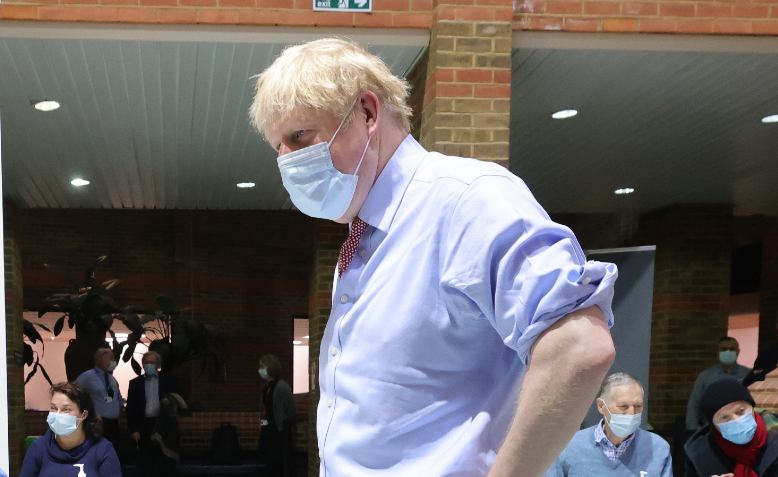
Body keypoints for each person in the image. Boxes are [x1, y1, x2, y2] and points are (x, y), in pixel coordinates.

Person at [249, 38, 618, 476]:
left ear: (367, 112)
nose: (288, 162)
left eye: (299, 136)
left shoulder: (464, 201)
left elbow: (578, 344)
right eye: (279, 148)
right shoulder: (365, 240)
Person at [546, 372, 672, 476]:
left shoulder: (658, 448)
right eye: (623, 406)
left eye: (638, 406)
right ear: (601, 406)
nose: (631, 413)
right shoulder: (569, 446)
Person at [20, 382, 121, 476]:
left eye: (66, 410)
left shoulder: (103, 450)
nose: (57, 415)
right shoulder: (38, 448)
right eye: (53, 408)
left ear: (84, 415)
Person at [685, 378, 778, 476]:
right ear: (714, 426)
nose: (736, 420)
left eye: (741, 411)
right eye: (724, 417)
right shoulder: (700, 455)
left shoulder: (774, 437)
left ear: (752, 408)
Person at [126, 351, 176, 476]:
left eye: (152, 363)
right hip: (144, 428)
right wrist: (133, 429)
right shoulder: (135, 383)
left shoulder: (168, 381)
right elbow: (131, 409)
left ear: (158, 364)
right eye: (146, 362)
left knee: (164, 464)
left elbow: (174, 403)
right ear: (142, 365)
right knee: (144, 464)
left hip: (162, 427)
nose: (149, 365)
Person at [687, 337, 751, 432]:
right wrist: (692, 430)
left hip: (742, 428)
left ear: (738, 352)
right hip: (712, 429)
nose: (728, 352)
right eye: (724, 349)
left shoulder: (748, 375)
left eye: (732, 349)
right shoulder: (706, 376)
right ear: (717, 352)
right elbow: (694, 404)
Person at [258, 354, 297, 477]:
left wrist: (283, 425)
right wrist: (262, 426)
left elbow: (291, 412)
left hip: (279, 433)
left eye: (262, 367)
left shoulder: (282, 387)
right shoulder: (265, 388)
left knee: (279, 466)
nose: (260, 370)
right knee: (269, 465)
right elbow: (264, 412)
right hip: (268, 431)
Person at [74, 347, 122, 444]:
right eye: (111, 359)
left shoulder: (112, 379)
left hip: (113, 424)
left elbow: (111, 399)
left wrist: (119, 405)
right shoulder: (87, 376)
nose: (113, 362)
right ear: (100, 359)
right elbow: (73, 392)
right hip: (96, 423)